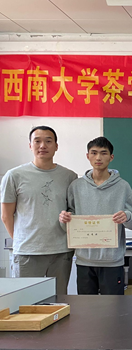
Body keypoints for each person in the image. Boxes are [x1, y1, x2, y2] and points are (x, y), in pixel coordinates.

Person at [1, 126, 77, 295]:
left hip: (61, 252)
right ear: (30, 145)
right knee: (24, 301)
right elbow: (6, 215)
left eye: (48, 141)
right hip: (27, 253)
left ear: (56, 146)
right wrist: (22, 241)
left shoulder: (69, 176)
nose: (43, 145)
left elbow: (73, 211)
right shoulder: (14, 176)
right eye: (37, 141)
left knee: (58, 301)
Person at [58, 137, 132, 295]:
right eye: (94, 153)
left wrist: (126, 216)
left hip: (112, 261)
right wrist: (64, 219)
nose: (98, 157)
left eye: (103, 153)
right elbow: (69, 221)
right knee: (87, 307)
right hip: (84, 260)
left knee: (114, 307)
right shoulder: (76, 186)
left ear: (111, 157)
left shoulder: (123, 186)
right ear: (87, 156)